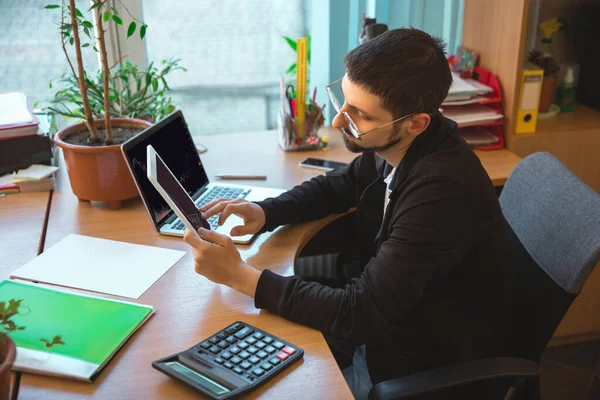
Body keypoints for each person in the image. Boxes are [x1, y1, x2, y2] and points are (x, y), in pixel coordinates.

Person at [183, 28, 516, 399]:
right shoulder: (405, 142)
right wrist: (265, 212)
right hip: (392, 323)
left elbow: (360, 313)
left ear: (415, 122)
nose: (340, 121)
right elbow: (338, 185)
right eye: (343, 101)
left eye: (359, 114)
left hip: (420, 362)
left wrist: (240, 276)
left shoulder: (441, 193)